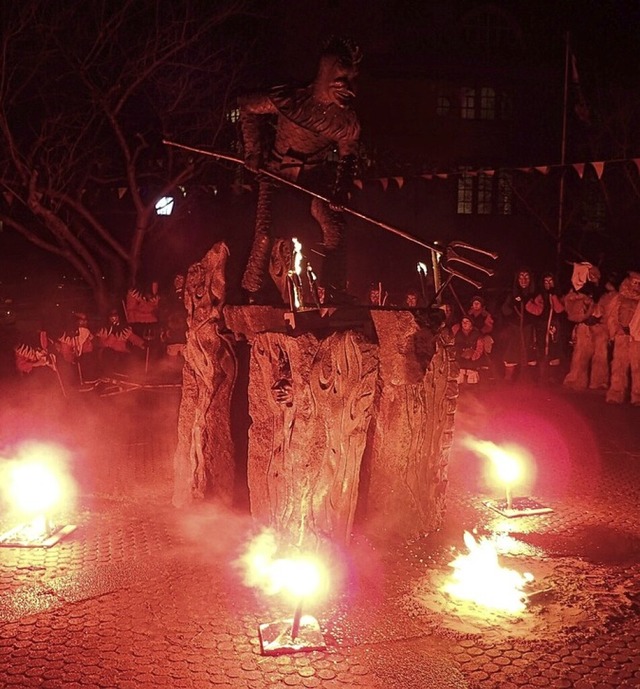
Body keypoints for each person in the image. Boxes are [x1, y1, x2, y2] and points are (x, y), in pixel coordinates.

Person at [238, 36, 362, 304]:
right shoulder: (291, 99)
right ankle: (251, 291)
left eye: (353, 81)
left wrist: (341, 188)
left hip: (315, 178)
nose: (350, 88)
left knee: (334, 227)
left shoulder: (345, 121)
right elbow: (247, 106)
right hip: (277, 172)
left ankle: (333, 290)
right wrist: (253, 152)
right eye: (343, 79)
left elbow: (348, 157)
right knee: (264, 235)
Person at [562, 263, 609, 391]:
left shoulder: (604, 291)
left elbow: (607, 308)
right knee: (580, 353)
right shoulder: (580, 289)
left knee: (601, 355)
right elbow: (572, 307)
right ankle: (576, 379)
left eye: (596, 275)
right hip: (584, 326)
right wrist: (583, 316)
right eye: (592, 275)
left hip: (600, 326)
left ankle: (599, 381)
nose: (595, 277)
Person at [603, 270, 640, 405]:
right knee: (619, 365)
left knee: (638, 367)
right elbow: (611, 316)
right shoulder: (619, 298)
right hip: (621, 336)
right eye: (634, 282)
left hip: (637, 338)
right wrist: (615, 331)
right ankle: (616, 392)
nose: (636, 285)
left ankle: (638, 395)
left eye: (638, 283)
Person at [500, 267, 543, 382]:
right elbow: (504, 310)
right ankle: (509, 379)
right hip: (515, 330)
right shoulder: (512, 294)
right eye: (521, 277)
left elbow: (539, 311)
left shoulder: (536, 295)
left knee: (529, 354)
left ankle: (532, 380)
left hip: (529, 329)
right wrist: (513, 304)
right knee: (512, 353)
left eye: (526, 277)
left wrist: (527, 302)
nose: (523, 280)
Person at [96, 308, 145, 376]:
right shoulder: (103, 330)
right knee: (110, 354)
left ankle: (129, 375)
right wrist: (112, 334)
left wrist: (142, 343)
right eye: (112, 317)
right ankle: (110, 374)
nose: (114, 318)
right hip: (108, 353)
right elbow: (104, 344)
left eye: (116, 316)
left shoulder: (124, 329)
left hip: (121, 352)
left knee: (129, 358)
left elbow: (133, 338)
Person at [536, 272, 566, 383]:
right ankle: (543, 375)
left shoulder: (559, 295)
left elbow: (559, 309)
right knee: (542, 348)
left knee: (554, 348)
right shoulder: (539, 295)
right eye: (546, 281)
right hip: (542, 324)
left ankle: (553, 376)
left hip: (554, 323)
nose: (548, 284)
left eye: (550, 281)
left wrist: (553, 296)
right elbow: (536, 310)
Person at [452, 315, 484, 384]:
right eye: (463, 322)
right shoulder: (457, 333)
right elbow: (453, 346)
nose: (464, 324)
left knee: (472, 381)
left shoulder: (477, 334)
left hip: (472, 362)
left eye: (467, 322)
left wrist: (473, 356)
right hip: (459, 361)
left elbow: (479, 348)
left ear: (471, 323)